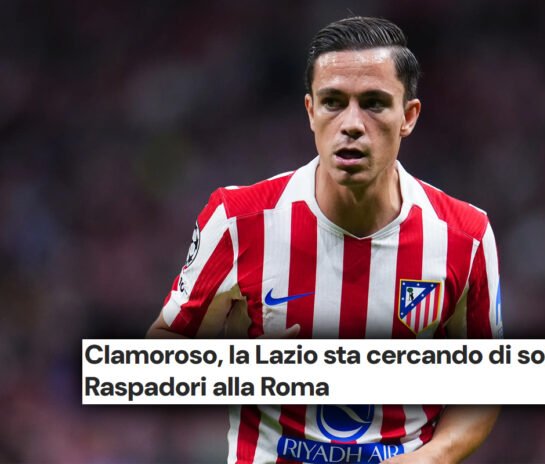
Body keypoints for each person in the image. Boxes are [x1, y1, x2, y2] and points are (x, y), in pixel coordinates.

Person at [148, 16, 503, 464]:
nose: (351, 123)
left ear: (408, 116)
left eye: (374, 104)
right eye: (333, 102)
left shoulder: (465, 237)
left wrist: (430, 458)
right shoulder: (239, 220)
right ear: (310, 111)